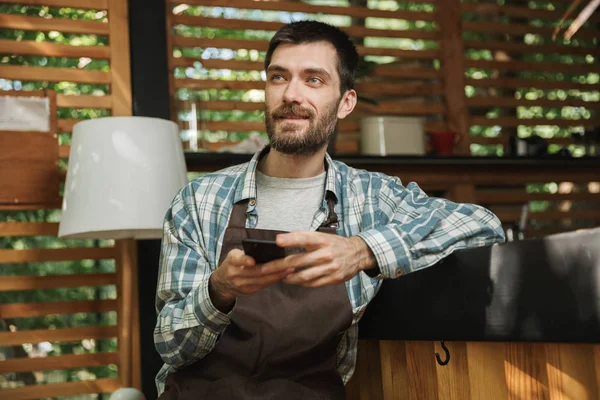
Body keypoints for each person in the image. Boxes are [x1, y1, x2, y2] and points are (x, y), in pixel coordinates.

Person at [154, 20, 505, 400]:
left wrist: (363, 250)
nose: (291, 94)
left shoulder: (372, 196)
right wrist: (218, 290)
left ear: (346, 102)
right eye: (278, 77)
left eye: (313, 80)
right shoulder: (199, 200)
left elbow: (483, 225)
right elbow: (172, 346)